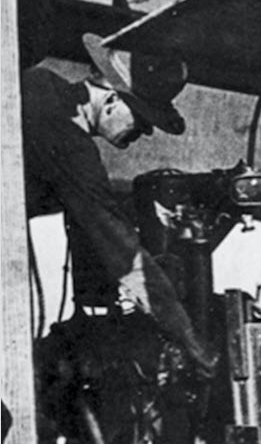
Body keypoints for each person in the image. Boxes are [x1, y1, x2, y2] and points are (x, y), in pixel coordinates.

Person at [21, 33, 213, 364]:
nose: (141, 134)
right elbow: (120, 250)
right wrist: (184, 332)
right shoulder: (72, 147)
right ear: (111, 98)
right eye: (140, 121)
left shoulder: (35, 81)